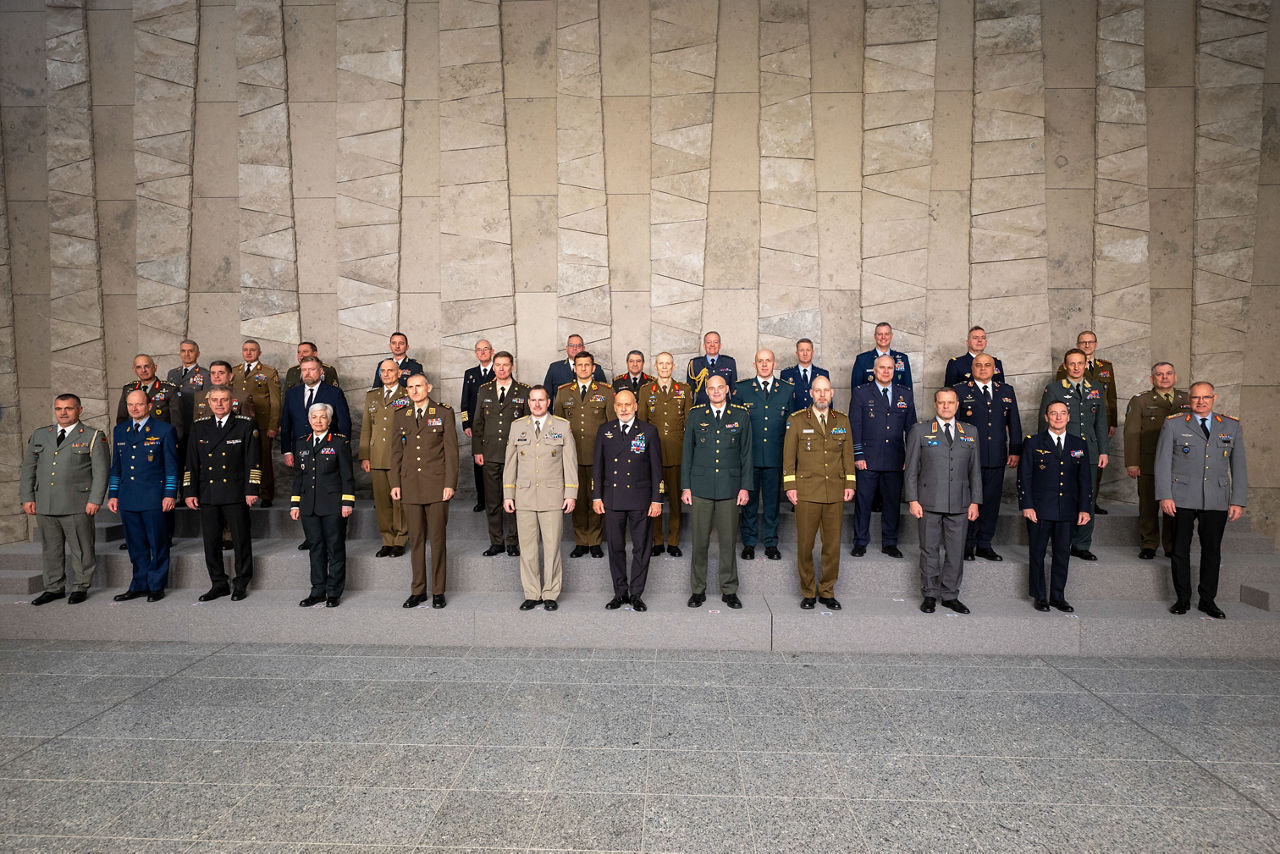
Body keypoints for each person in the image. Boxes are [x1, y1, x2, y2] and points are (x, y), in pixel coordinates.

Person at [1155, 381, 1247, 620]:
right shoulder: (1174, 424)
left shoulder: (1231, 426)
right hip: (1181, 497)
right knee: (1179, 550)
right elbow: (1162, 463)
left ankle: (1208, 600)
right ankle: (1183, 598)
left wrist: (1237, 500)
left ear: (1214, 398)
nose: (1201, 402)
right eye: (1196, 398)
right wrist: (1165, 495)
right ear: (1190, 400)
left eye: (1206, 397)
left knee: (1212, 552)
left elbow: (1239, 466)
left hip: (1216, 498)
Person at [20, 394, 109, 605]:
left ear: (80, 410)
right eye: (59, 408)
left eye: (68, 408)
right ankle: (54, 587)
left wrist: (95, 499)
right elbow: (28, 469)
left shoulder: (93, 436)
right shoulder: (41, 435)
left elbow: (101, 471)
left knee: (81, 548)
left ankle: (80, 586)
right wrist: (27, 496)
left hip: (77, 503)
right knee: (50, 549)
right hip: (45, 503)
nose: (63, 412)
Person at [903, 388, 982, 615]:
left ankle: (949, 595)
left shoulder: (970, 432)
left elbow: (975, 471)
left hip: (960, 502)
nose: (946, 407)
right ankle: (929, 594)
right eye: (941, 403)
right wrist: (912, 499)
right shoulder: (920, 431)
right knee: (929, 550)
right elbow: (911, 471)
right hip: (928, 501)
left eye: (950, 403)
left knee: (956, 551)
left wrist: (975, 501)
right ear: (935, 405)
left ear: (957, 405)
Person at [782, 376, 855, 610]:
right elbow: (788, 457)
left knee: (832, 546)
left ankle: (827, 591)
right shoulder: (797, 420)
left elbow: (848, 457)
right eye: (818, 391)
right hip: (806, 492)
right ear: (811, 393)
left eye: (826, 391)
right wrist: (790, 486)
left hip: (834, 491)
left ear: (831, 393)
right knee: (805, 545)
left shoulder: (842, 420)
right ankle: (808, 591)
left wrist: (850, 484)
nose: (822, 395)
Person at [183, 388, 261, 602]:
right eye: (215, 400)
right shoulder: (199, 426)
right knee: (211, 542)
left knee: (240, 539)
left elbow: (253, 460)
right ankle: (218, 583)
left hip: (235, 492)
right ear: (208, 403)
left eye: (224, 400)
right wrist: (189, 491)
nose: (219, 404)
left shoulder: (245, 424)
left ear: (232, 402)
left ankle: (241, 582)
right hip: (207, 492)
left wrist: (251, 489)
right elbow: (190, 462)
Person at [503, 385, 577, 611]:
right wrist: (508, 494)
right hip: (524, 496)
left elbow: (570, 464)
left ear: (548, 402)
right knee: (527, 548)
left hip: (552, 497)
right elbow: (510, 464)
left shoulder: (562, 427)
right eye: (533, 400)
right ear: (528, 402)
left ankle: (550, 594)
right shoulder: (517, 427)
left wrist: (571, 494)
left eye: (541, 400)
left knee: (553, 547)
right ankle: (532, 593)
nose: (537, 404)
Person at [681, 375, 751, 609]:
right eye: (712, 388)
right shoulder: (695, 414)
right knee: (699, 541)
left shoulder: (740, 415)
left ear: (728, 390)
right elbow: (687, 453)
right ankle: (697, 590)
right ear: (707, 392)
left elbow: (746, 454)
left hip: (729, 487)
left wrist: (745, 486)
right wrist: (686, 486)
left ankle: (729, 589)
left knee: (728, 541)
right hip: (700, 487)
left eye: (720, 387)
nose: (716, 391)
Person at [390, 373, 458, 609]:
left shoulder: (443, 413)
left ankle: (438, 590)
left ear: (428, 387)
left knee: (437, 540)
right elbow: (395, 453)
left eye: (419, 386)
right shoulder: (401, 415)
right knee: (416, 540)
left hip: (437, 485)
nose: (415, 390)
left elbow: (451, 452)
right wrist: (395, 484)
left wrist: (450, 483)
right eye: (410, 387)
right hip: (410, 485)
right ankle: (418, 590)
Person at [592, 389, 663, 612]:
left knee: (641, 548)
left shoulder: (649, 431)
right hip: (612, 499)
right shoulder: (605, 431)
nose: (623, 409)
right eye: (619, 405)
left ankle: (636, 594)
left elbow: (656, 468)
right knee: (615, 547)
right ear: (614, 407)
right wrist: (596, 496)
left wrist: (657, 499)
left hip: (641, 499)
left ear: (635, 406)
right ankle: (619, 592)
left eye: (628, 404)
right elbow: (598, 467)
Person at [1018, 401, 1091, 613]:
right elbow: (1025, 476)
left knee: (1062, 554)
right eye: (1053, 414)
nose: (1058, 417)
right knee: (1037, 553)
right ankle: (1040, 596)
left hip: (1067, 509)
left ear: (1069, 417)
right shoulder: (1033, 442)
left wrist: (1084, 508)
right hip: (1039, 509)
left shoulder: (1079, 444)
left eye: (1062, 414)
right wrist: (1027, 505)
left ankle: (1058, 596)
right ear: (1046, 417)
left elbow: (1085, 480)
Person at [107, 390, 179, 602]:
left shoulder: (164, 430)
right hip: (128, 497)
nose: (134, 408)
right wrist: (113, 494)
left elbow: (171, 466)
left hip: (153, 497)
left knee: (157, 544)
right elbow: (116, 467)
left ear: (149, 406)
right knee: (135, 545)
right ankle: (139, 584)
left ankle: (156, 586)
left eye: (138, 404)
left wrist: (169, 494)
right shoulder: (120, 430)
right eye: (130, 405)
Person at [1039, 348, 1108, 561]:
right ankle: (1061, 541)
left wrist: (1103, 450)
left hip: (1090, 452)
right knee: (1062, 496)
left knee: (1087, 497)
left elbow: (1101, 422)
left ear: (1086, 365)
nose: (1076, 367)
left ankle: (1081, 544)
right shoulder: (1054, 389)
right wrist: (1044, 452)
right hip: (1062, 453)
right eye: (1072, 364)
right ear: (1065, 366)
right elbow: (1044, 423)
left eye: (1080, 363)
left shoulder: (1096, 388)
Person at [953, 353, 1022, 561]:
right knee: (968, 502)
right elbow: (954, 427)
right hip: (969, 458)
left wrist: (1015, 450)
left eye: (987, 365)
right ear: (972, 368)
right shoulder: (960, 390)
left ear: (994, 369)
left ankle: (984, 544)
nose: (983, 369)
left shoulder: (1006, 391)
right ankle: (966, 545)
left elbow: (1014, 423)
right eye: (978, 365)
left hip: (996, 457)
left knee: (991, 503)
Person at [280, 356, 351, 549]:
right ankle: (311, 537)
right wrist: (287, 450)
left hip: (328, 450)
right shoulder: (292, 393)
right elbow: (286, 424)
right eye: (304, 370)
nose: (307, 373)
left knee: (325, 488)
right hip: (303, 449)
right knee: (307, 489)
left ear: (321, 372)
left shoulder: (334, 393)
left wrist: (341, 447)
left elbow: (344, 422)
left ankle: (331, 534)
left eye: (311, 369)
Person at [849, 354, 916, 558]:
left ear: (894, 371)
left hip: (895, 459)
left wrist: (909, 457)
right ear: (874, 371)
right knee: (863, 502)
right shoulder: (861, 393)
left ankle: (890, 542)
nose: (886, 371)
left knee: (892, 503)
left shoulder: (905, 394)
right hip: (867, 459)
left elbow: (911, 429)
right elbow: (855, 426)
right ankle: (860, 541)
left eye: (890, 368)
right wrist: (857, 455)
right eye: (882, 368)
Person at [291, 403, 355, 608]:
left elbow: (347, 476)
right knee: (315, 549)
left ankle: (334, 592)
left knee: (335, 549)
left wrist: (347, 502)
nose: (318, 421)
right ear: (309, 420)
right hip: (309, 506)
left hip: (333, 505)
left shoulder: (338, 442)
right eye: (314, 417)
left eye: (322, 417)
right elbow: (299, 477)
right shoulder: (301, 443)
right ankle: (317, 590)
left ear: (329, 420)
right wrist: (295, 504)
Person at [1123, 362, 1190, 559]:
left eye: (1169, 373)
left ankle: (1171, 546)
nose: (1164, 377)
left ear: (1175, 377)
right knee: (1148, 505)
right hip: (1149, 462)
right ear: (1152, 379)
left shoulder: (1186, 399)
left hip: (1180, 464)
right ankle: (1149, 544)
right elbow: (1132, 433)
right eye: (1159, 374)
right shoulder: (1140, 401)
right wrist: (1132, 463)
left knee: (1176, 506)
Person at [553, 350, 616, 558]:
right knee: (578, 500)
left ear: (593, 368)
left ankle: (595, 541)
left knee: (597, 498)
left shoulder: (606, 392)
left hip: (598, 456)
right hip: (572, 458)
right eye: (579, 365)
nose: (583, 368)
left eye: (587, 365)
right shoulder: (563, 393)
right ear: (574, 368)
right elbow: (557, 428)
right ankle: (581, 540)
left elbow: (611, 427)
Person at [735, 349, 793, 561]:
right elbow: (737, 427)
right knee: (748, 503)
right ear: (755, 364)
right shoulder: (742, 390)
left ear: (774, 363)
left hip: (775, 457)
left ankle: (770, 542)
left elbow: (791, 427)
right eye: (761, 361)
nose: (765, 364)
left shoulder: (787, 390)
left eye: (768, 361)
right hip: (749, 457)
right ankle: (749, 543)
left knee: (771, 504)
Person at [471, 351, 529, 556]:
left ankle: (513, 540)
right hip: (490, 454)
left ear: (512, 366)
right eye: (498, 365)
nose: (501, 368)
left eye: (505, 365)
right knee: (493, 499)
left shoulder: (523, 391)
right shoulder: (484, 390)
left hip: (516, 455)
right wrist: (477, 450)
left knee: (515, 499)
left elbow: (528, 425)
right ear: (493, 367)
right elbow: (478, 422)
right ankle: (496, 541)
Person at [1055, 330, 1118, 514]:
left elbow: (1111, 396)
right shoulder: (1066, 367)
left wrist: (1112, 422)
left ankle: (1092, 499)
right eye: (1083, 342)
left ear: (1096, 344)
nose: (1087, 345)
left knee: (1096, 462)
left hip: (1099, 421)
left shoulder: (1105, 367)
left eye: (1090, 342)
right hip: (1077, 421)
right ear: (1078, 344)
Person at [638, 351, 691, 557]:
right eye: (661, 364)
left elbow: (689, 424)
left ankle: (674, 540)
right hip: (654, 455)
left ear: (673, 366)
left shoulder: (684, 390)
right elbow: (641, 425)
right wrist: (641, 456)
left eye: (668, 364)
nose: (665, 367)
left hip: (678, 454)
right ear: (656, 366)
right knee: (655, 498)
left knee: (677, 502)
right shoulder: (645, 391)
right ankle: (658, 540)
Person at [359, 359, 410, 558]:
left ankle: (400, 539)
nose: (387, 374)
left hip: (400, 456)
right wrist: (365, 455)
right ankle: (387, 540)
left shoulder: (407, 394)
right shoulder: (372, 396)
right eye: (383, 371)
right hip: (377, 456)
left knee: (399, 501)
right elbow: (366, 427)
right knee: (382, 502)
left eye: (391, 370)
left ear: (399, 373)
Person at [231, 340, 281, 505]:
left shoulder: (268, 372)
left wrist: (273, 425)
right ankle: (242, 493)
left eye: (252, 350)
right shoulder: (234, 371)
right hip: (238, 423)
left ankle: (266, 495)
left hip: (262, 424)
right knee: (239, 459)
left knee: (264, 460)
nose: (248, 353)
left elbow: (275, 401)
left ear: (259, 352)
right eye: (245, 350)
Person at [461, 339, 495, 511]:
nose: (482, 352)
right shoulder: (470, 374)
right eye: (479, 350)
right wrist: (466, 424)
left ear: (492, 351)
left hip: (495, 426)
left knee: (496, 464)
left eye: (485, 349)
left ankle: (496, 500)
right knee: (478, 464)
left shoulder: (500, 371)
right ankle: (481, 500)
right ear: (475, 353)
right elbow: (464, 402)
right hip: (476, 427)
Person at [115, 354, 183, 442]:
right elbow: (122, 419)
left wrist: (172, 446)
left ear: (155, 367)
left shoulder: (170, 390)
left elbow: (177, 424)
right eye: (139, 367)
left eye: (146, 366)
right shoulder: (128, 389)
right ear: (134, 370)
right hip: (134, 441)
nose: (143, 370)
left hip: (160, 442)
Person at [543, 333, 607, 405]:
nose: (574, 348)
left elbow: (604, 395)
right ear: (566, 348)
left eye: (578, 345)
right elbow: (546, 397)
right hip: (563, 414)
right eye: (571, 345)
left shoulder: (596, 368)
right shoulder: (555, 368)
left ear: (583, 348)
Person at [166, 338, 207, 443]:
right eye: (183, 351)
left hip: (192, 424)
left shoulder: (205, 374)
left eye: (191, 351)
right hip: (173, 423)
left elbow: (207, 402)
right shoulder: (172, 373)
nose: (186, 354)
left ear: (198, 354)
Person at [850, 322, 912, 390]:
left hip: (897, 400)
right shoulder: (862, 360)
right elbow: (856, 391)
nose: (883, 337)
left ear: (891, 336)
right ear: (875, 336)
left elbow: (908, 389)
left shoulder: (902, 359)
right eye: (880, 334)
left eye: (887, 334)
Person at [686, 330, 738, 405]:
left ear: (720, 345)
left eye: (715, 342)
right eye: (708, 342)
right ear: (704, 346)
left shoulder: (729, 362)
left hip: (724, 408)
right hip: (702, 409)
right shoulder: (694, 363)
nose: (712, 345)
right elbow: (689, 393)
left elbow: (734, 390)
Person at [779, 337, 829, 413]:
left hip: (816, 421)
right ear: (797, 353)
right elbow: (782, 402)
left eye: (808, 350)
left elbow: (828, 402)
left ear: (812, 352)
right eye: (801, 350)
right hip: (794, 421)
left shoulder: (823, 374)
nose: (805, 354)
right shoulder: (786, 375)